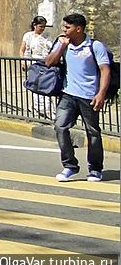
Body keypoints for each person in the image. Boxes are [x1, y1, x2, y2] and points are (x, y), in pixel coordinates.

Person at [46, 13, 110, 183]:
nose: (64, 30)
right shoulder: (63, 44)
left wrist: (101, 94)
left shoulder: (95, 46)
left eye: (67, 27)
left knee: (93, 133)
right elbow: (49, 62)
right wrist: (61, 47)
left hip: (89, 97)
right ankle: (70, 166)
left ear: (78, 28)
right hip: (68, 94)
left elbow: (105, 70)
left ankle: (95, 169)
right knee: (60, 127)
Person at [20, 15, 51, 117]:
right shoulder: (28, 36)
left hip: (44, 63)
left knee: (45, 85)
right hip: (33, 64)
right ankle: (36, 108)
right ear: (35, 25)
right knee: (35, 85)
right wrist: (23, 61)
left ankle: (46, 109)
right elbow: (22, 50)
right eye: (40, 26)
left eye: (44, 27)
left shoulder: (46, 37)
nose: (42, 29)